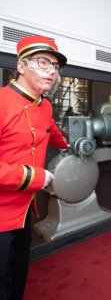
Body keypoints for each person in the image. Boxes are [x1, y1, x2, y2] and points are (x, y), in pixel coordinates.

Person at [0, 35, 69, 300]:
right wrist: (35, 177)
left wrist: (69, 145)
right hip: (2, 213)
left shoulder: (46, 106)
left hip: (26, 208)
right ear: (21, 66)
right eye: (43, 63)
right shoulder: (2, 101)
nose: (52, 71)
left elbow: (49, 131)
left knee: (18, 272)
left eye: (55, 66)